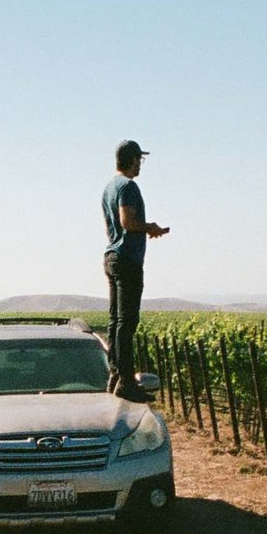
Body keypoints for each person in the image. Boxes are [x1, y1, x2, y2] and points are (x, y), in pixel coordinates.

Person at [100, 139, 169, 401]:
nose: (140, 164)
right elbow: (128, 221)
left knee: (115, 320)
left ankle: (115, 376)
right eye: (139, 159)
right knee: (127, 322)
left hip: (112, 256)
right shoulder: (128, 186)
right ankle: (126, 382)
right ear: (131, 160)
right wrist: (149, 226)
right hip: (127, 258)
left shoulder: (109, 187)